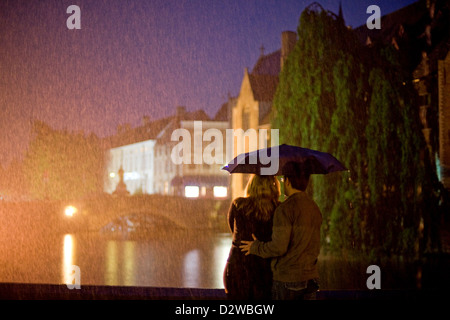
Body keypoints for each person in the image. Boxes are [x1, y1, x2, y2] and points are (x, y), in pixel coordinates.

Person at [240, 161, 322, 300]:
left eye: (283, 179)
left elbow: (279, 247)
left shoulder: (284, 209)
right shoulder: (314, 207)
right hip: (310, 278)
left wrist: (256, 247)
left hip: (288, 280)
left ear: (288, 181)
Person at [223, 174, 281, 300]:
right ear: (274, 186)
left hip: (237, 268)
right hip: (264, 271)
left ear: (252, 185)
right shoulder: (278, 209)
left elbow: (234, 231)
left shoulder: (238, 205)